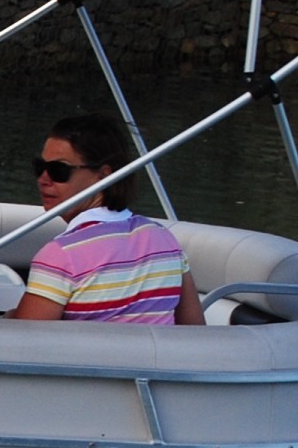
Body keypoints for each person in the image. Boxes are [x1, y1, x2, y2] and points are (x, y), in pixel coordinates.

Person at [14, 114, 205, 325]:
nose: (43, 179)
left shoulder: (60, 257)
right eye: (39, 167)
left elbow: (23, 347)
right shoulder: (165, 241)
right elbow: (195, 331)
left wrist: (8, 317)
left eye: (59, 170)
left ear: (104, 175)